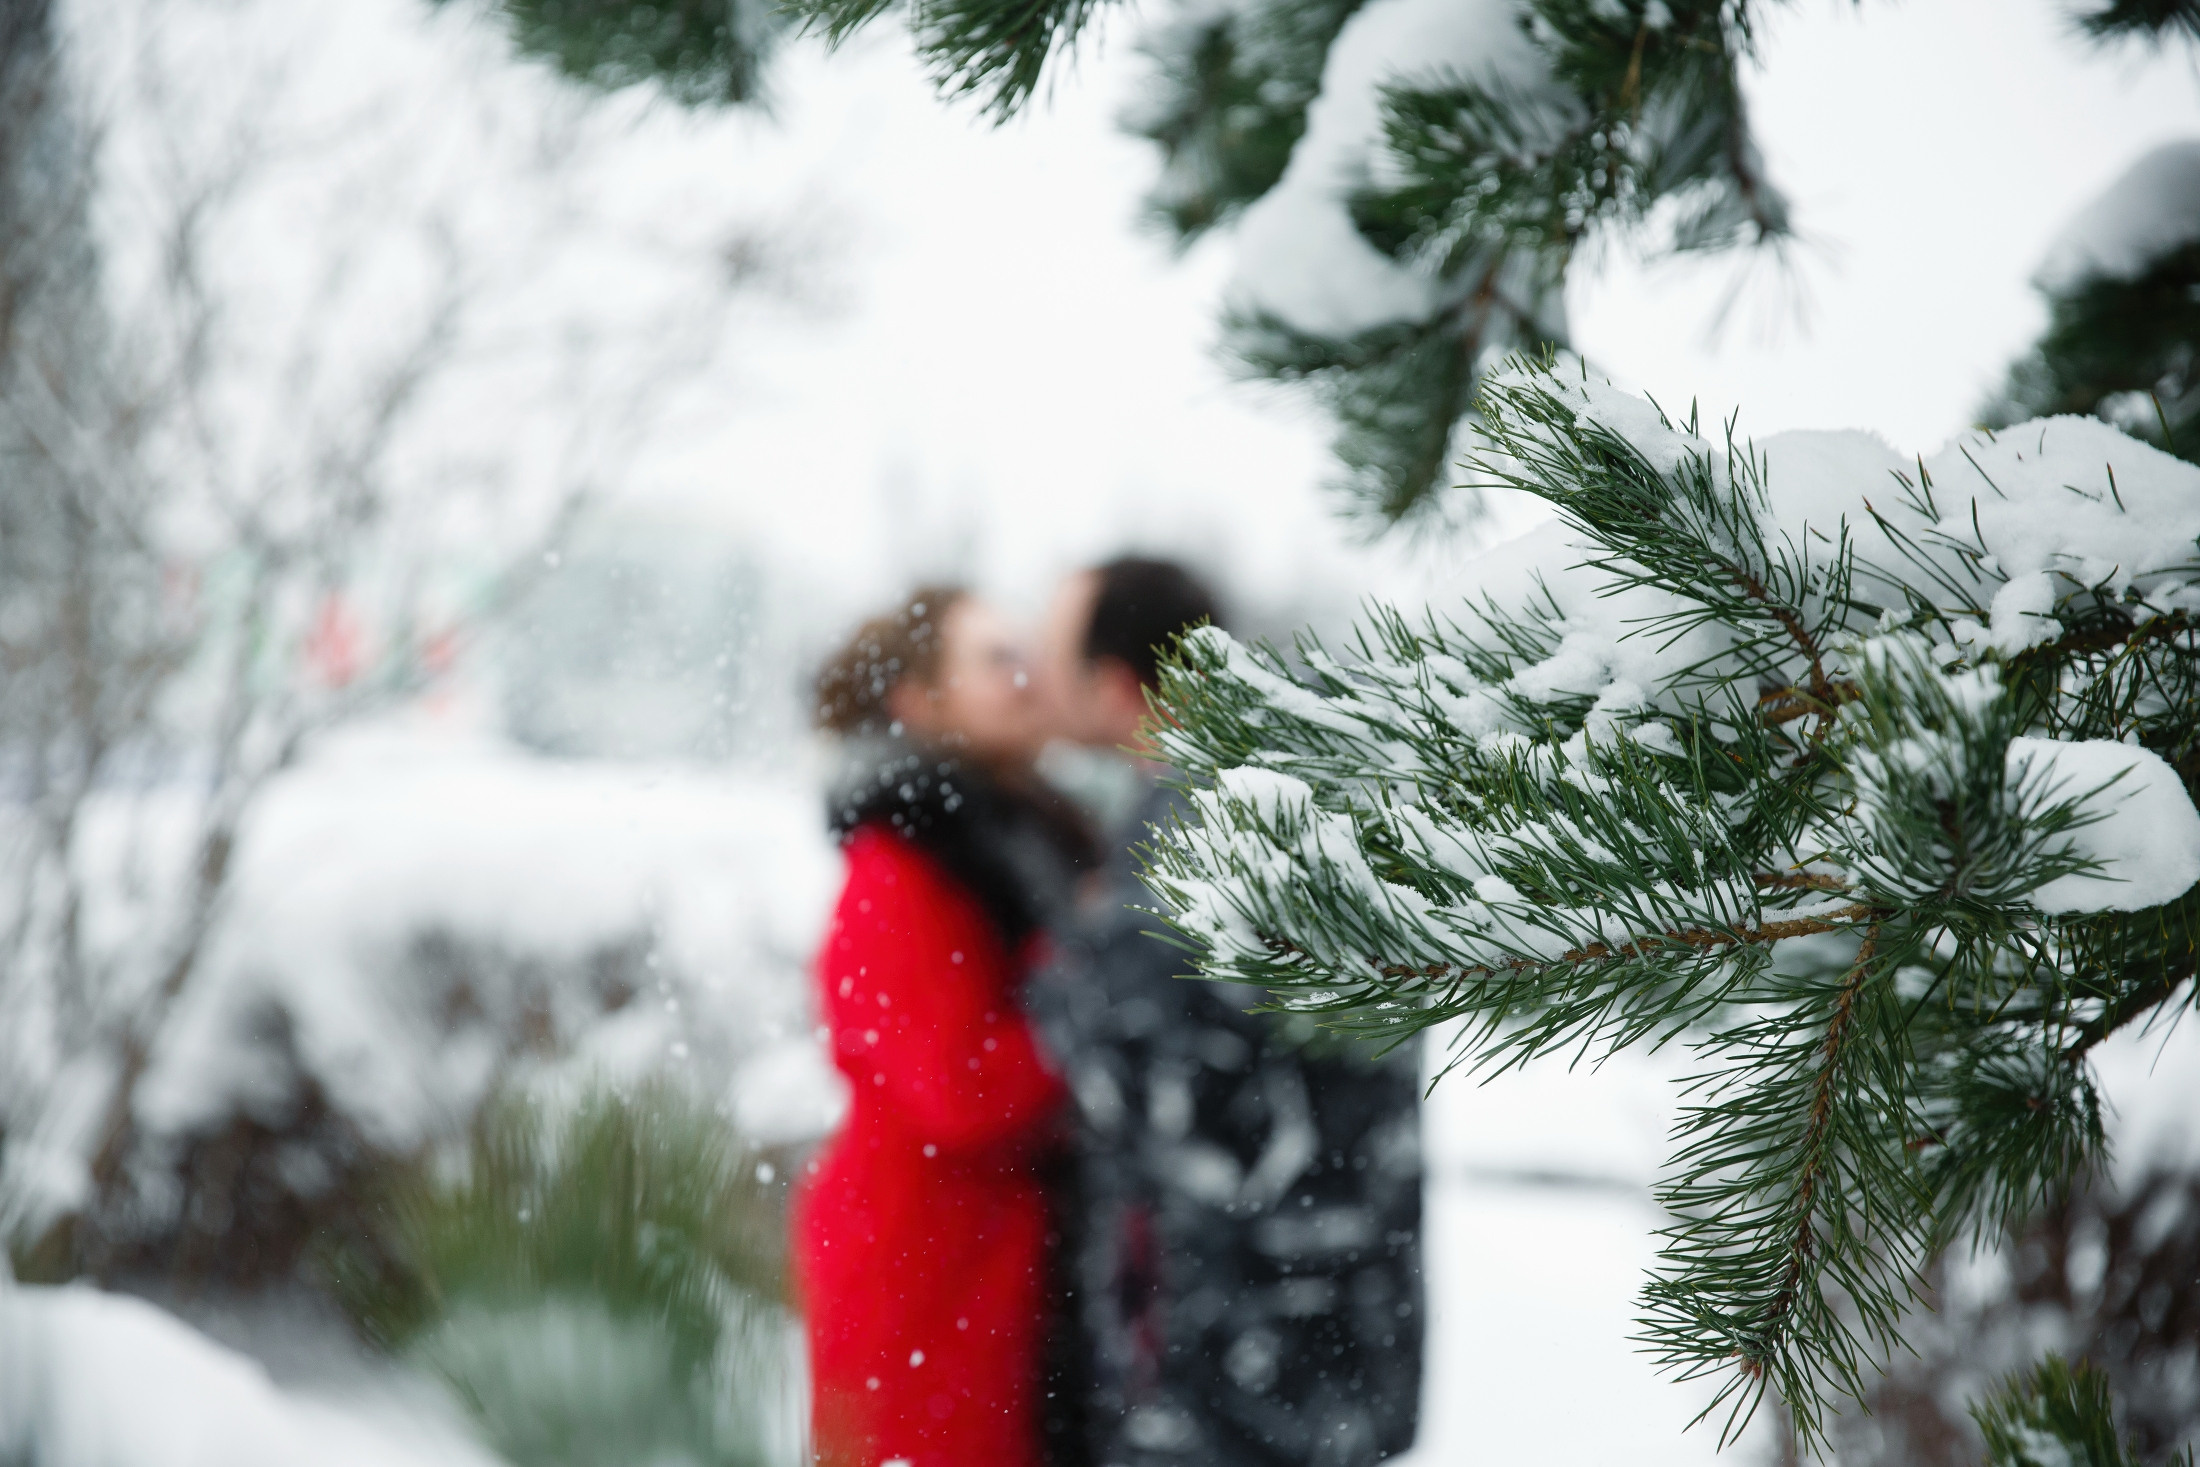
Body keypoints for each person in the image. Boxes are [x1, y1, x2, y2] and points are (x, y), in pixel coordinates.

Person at [1031, 557, 1425, 1467]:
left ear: (1115, 681)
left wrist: (1058, 978)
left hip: (1238, 1358)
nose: (1040, 683)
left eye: (1056, 657)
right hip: (1344, 1326)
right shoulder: (1305, 789)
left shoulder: (1187, 831)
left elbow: (1157, 1087)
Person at [793, 586, 1093, 1467]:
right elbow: (960, 1087)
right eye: (996, 660)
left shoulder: (1016, 840)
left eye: (1024, 649)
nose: (1028, 673)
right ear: (919, 704)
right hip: (925, 1269)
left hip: (988, 1257)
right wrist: (1097, 1006)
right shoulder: (899, 869)